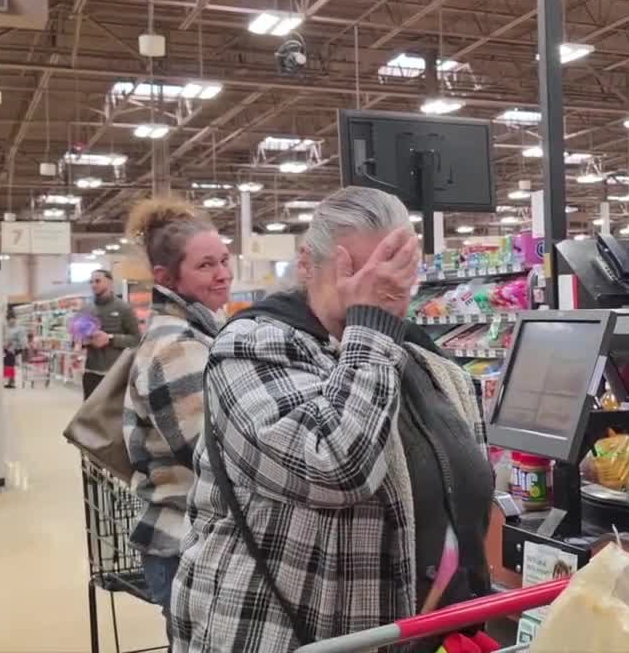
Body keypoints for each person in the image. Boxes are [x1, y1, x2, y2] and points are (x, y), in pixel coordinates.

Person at [172, 188, 495, 652]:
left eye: (391, 270)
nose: (373, 289)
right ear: (308, 264)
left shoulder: (428, 363)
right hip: (276, 634)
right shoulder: (249, 347)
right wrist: (373, 328)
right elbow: (336, 468)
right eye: (357, 271)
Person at [122, 199, 232, 637]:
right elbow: (213, 452)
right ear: (166, 278)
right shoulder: (177, 348)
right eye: (206, 265)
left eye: (224, 260)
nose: (222, 273)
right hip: (184, 544)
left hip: (191, 540)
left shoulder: (201, 331)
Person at [81, 268, 141, 399]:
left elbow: (137, 339)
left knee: (113, 416)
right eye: (90, 282)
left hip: (116, 373)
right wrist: (81, 340)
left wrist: (110, 338)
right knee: (90, 415)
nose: (93, 285)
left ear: (110, 283)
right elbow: (79, 337)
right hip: (91, 372)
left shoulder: (124, 308)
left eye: (97, 281)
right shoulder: (86, 308)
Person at [3, 309, 27, 389]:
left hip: (16, 348)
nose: (11, 321)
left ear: (15, 319)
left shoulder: (20, 328)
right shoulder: (7, 328)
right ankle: (10, 380)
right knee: (8, 363)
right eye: (9, 320)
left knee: (9, 361)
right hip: (8, 348)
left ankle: (11, 382)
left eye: (12, 319)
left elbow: (23, 343)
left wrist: (12, 344)